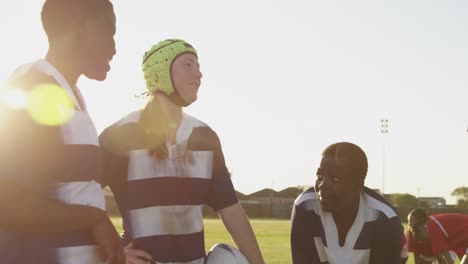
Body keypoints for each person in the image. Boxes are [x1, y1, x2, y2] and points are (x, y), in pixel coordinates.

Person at [100, 39, 264, 264]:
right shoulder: (120, 135)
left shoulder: (205, 137)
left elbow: (231, 210)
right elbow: (79, 199)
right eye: (188, 65)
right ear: (161, 72)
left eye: (198, 66)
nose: (199, 74)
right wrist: (113, 251)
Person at [0, 0, 124, 263]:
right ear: (79, 26)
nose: (114, 47)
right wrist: (96, 218)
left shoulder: (71, 95)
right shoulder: (32, 85)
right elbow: (8, 202)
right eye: (109, 31)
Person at [291, 142, 404, 264]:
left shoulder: (384, 219)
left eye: (335, 179)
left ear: (358, 185)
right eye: (320, 176)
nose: (323, 185)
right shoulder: (305, 207)